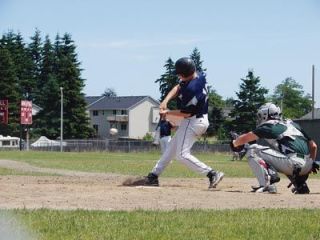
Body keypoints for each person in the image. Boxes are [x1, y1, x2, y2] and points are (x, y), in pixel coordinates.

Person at [144, 57, 224, 188]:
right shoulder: (199, 75)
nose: (179, 77)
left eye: (180, 74)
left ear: (184, 73)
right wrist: (165, 101)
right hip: (197, 119)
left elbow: (186, 113)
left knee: (181, 155)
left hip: (194, 121)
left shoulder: (192, 89)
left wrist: (167, 112)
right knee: (171, 149)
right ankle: (153, 176)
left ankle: (212, 173)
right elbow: (178, 87)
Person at [231, 102, 318, 194]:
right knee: (286, 154)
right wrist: (310, 164)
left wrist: (234, 143)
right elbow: (313, 146)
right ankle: (301, 185)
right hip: (307, 165)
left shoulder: (270, 125)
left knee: (253, 150)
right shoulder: (292, 124)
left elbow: (244, 139)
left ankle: (266, 184)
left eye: (260, 115)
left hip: (293, 164)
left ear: (265, 115)